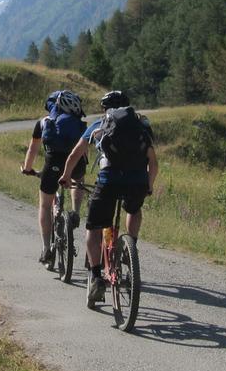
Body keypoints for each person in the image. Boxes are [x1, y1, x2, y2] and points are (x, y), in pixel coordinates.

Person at [59, 90, 158, 304]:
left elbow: (76, 153)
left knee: (93, 228)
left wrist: (66, 176)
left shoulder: (100, 124)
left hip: (108, 181)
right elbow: (153, 162)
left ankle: (95, 276)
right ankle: (130, 249)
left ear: (106, 108)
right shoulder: (140, 124)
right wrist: (148, 186)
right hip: (136, 181)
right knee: (133, 209)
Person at [20, 90, 87, 265]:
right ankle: (76, 212)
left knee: (45, 205)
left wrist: (27, 169)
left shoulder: (44, 122)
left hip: (53, 166)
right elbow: (83, 152)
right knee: (78, 180)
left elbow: (33, 149)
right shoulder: (80, 125)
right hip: (76, 164)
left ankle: (46, 249)